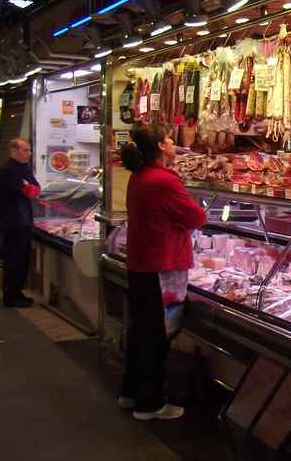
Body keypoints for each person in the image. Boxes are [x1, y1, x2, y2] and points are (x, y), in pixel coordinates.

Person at [119, 123, 206, 421]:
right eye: (169, 139)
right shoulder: (163, 181)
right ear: (160, 146)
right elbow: (197, 217)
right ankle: (150, 404)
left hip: (142, 263)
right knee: (156, 338)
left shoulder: (140, 175)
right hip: (161, 268)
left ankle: (130, 393)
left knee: (140, 332)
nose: (172, 143)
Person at [0, 138, 40, 308]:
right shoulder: (9, 170)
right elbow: (28, 191)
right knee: (14, 260)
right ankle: (11, 296)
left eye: (29, 150)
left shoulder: (23, 168)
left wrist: (30, 187)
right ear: (14, 151)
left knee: (22, 260)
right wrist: (29, 188)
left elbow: (36, 188)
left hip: (23, 221)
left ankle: (17, 292)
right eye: (25, 150)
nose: (29, 153)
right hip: (13, 222)